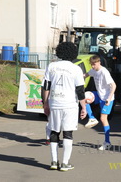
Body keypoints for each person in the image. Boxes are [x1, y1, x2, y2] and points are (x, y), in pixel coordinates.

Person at [42, 42, 87, 171]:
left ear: (59, 52)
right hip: (70, 105)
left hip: (54, 103)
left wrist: (45, 103)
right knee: (67, 133)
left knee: (54, 132)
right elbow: (80, 90)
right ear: (73, 53)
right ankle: (65, 163)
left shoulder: (51, 66)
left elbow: (46, 86)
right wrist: (83, 107)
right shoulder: (76, 69)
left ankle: (54, 161)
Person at [84, 55, 116, 150]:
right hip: (99, 95)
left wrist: (109, 98)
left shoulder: (104, 72)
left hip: (107, 97)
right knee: (85, 97)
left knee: (103, 119)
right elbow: (85, 75)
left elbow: (114, 86)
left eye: (94, 64)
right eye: (91, 64)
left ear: (99, 62)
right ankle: (92, 118)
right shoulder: (93, 70)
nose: (92, 66)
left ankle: (107, 142)